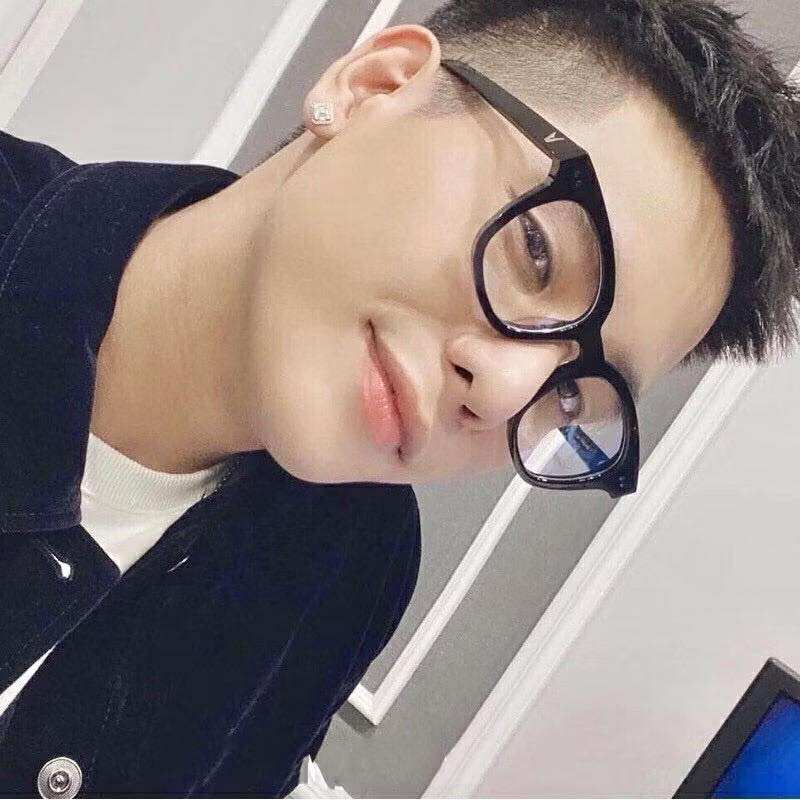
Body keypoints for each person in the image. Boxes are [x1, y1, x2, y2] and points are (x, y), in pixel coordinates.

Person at [1, 0, 799, 796]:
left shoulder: (347, 565)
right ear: (373, 87)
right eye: (536, 253)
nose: (505, 391)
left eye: (570, 394)